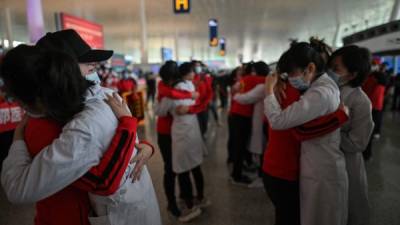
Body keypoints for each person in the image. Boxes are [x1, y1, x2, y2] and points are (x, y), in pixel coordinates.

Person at [1, 31, 161, 225]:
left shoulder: (102, 98)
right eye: (86, 63)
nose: (94, 66)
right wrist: (129, 127)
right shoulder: (70, 122)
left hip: (125, 207)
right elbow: (103, 179)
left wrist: (143, 144)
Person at [264, 40, 348, 225]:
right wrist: (339, 117)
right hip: (288, 168)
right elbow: (296, 129)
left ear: (311, 67)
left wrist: (339, 117)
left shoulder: (317, 92)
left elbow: (296, 128)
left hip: (305, 167)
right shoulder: (304, 89)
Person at [328, 45, 374, 225]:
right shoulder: (328, 90)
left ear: (353, 74)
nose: (330, 72)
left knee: (349, 209)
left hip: (347, 164)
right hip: (323, 160)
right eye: (330, 66)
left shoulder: (361, 102)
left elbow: (358, 143)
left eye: (336, 69)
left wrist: (327, 131)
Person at [154, 60, 200, 221]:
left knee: (182, 167)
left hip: (178, 133)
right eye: (168, 79)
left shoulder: (173, 87)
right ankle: (172, 204)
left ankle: (185, 199)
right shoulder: (165, 89)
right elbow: (158, 110)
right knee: (172, 169)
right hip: (166, 134)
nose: (170, 82)